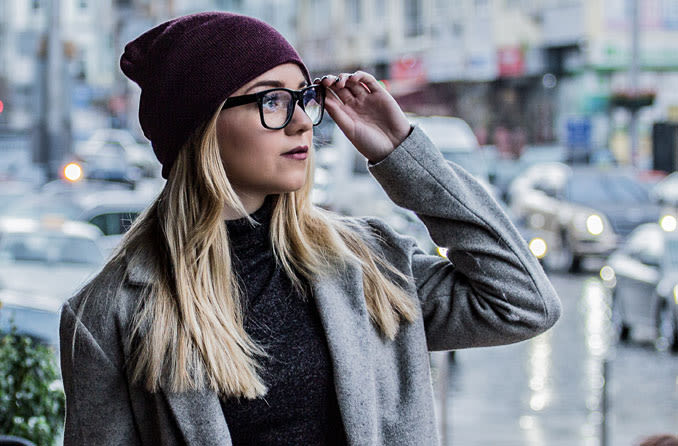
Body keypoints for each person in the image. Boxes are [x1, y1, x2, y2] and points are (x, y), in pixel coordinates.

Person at [58, 11, 562, 446]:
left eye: (302, 97)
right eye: (271, 100)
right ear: (201, 126)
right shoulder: (110, 312)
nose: (303, 122)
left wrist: (400, 151)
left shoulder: (367, 263)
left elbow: (523, 302)